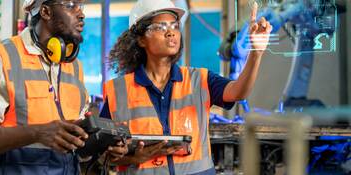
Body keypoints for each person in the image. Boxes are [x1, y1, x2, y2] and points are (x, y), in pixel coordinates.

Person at [100, 0, 272, 174]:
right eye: (160, 27)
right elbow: (101, 153)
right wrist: (134, 158)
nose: (171, 32)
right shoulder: (119, 90)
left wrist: (255, 54)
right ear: (141, 39)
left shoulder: (200, 79)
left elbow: (238, 92)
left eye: (174, 26)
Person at [0, 0, 127, 174]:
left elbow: (76, 147)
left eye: (81, 6)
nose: (81, 14)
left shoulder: (74, 67)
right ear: (46, 12)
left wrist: (102, 146)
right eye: (70, 5)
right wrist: (37, 133)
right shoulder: (0, 58)